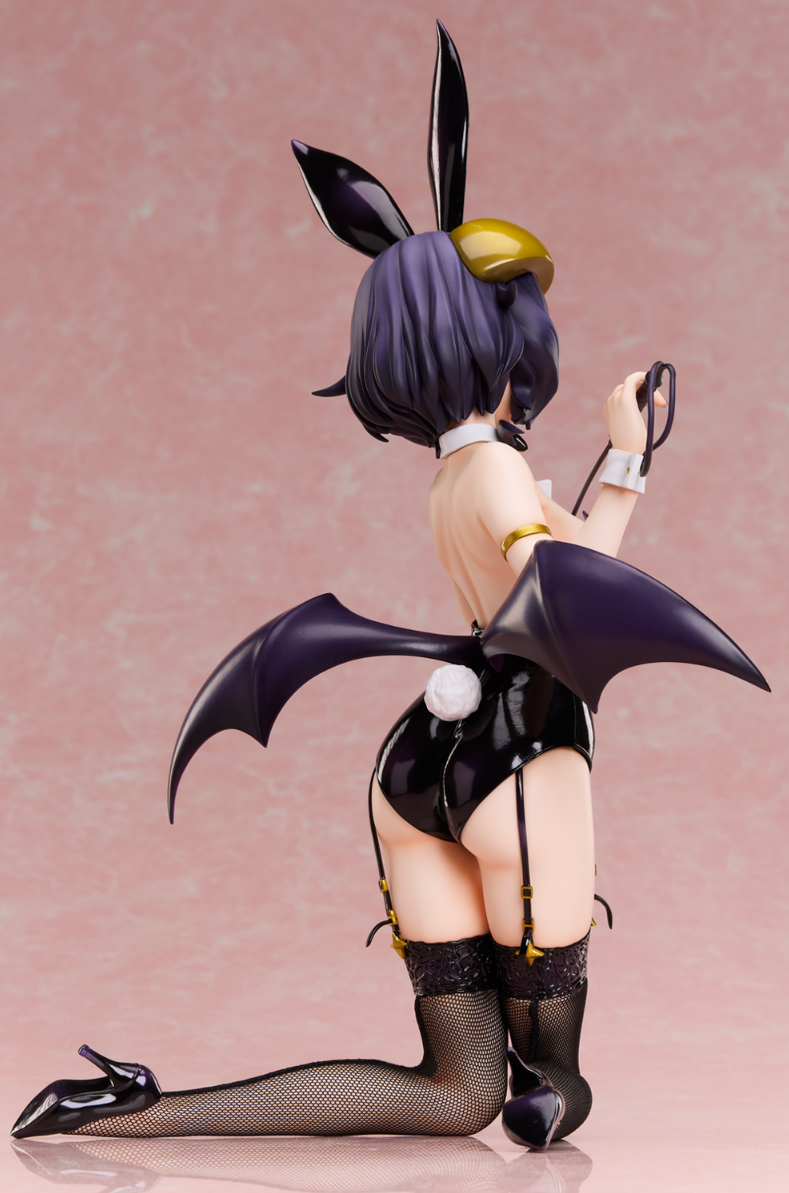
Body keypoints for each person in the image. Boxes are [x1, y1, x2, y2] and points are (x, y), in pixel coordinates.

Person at [11, 23, 766, 1151]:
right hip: (523, 761)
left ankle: (143, 1107)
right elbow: (568, 604)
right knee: (550, 1083)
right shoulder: (499, 470)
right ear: (499, 332)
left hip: (418, 767)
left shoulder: (456, 474)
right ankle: (555, 1100)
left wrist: (625, 459)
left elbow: (556, 574)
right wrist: (624, 456)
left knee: (458, 1090)